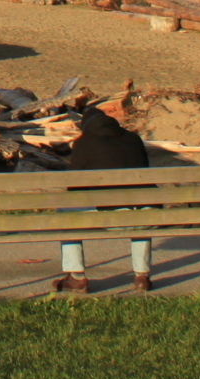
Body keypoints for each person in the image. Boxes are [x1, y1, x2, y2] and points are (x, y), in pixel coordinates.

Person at [55, 107, 153, 295]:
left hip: (105, 215)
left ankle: (76, 277)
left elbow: (74, 189)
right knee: (140, 207)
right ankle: (142, 275)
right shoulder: (133, 139)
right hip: (138, 214)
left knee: (65, 212)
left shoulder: (84, 143)